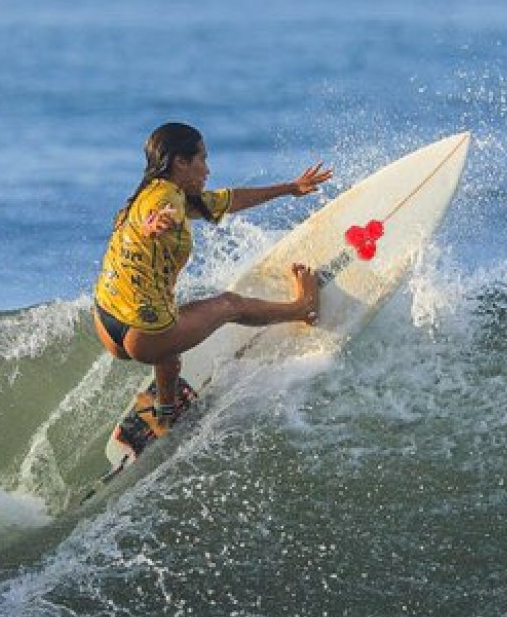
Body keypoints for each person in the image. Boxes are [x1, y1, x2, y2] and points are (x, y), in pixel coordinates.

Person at [93, 122, 332, 425]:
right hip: (143, 336)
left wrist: (289, 188)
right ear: (180, 162)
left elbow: (232, 199)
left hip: (106, 318)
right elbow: (158, 214)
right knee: (230, 305)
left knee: (169, 332)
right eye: (202, 159)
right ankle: (303, 308)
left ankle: (166, 409)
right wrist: (155, 225)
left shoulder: (153, 192)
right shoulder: (164, 201)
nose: (207, 169)